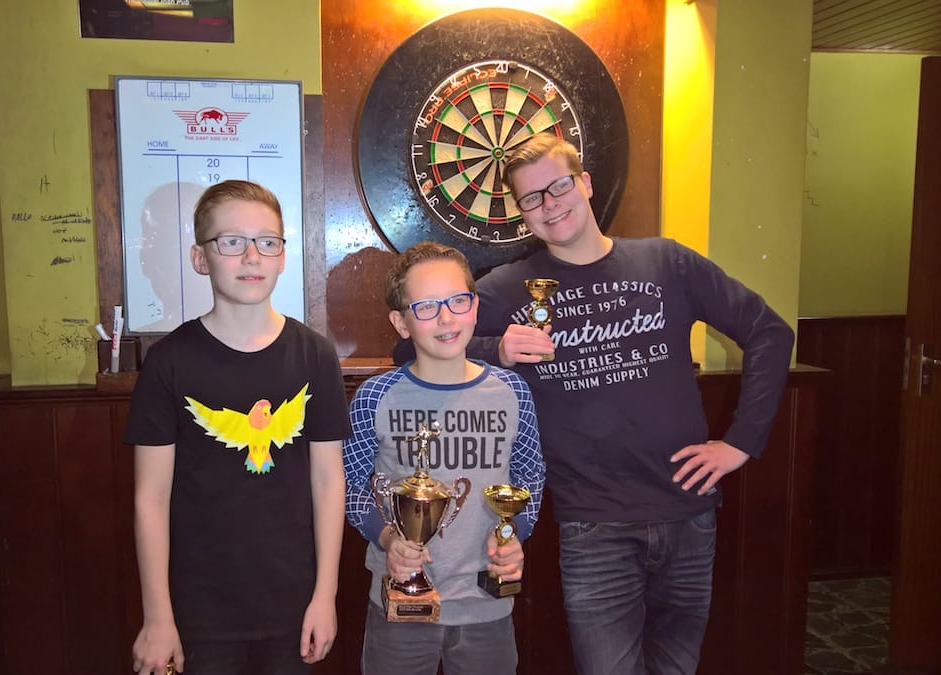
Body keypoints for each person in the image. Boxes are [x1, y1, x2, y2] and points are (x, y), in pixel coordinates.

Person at [399, 133, 796, 674]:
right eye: (532, 198)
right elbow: (409, 348)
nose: (549, 204)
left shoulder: (665, 262)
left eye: (559, 186)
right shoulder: (508, 288)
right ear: (521, 212)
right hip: (593, 526)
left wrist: (741, 442)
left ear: (585, 184)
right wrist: (498, 349)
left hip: (688, 513)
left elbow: (770, 332)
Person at [124, 179, 350, 675]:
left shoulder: (315, 355)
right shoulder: (169, 363)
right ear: (200, 258)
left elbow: (329, 480)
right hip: (198, 608)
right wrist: (157, 616)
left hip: (293, 603)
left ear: (282, 256)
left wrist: (325, 595)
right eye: (231, 241)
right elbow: (151, 497)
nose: (252, 256)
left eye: (267, 242)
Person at [346, 241, 546, 675]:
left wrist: (515, 535)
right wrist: (388, 539)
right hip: (399, 607)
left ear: (474, 306)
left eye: (458, 301)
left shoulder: (513, 392)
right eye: (426, 307)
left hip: (486, 608)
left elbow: (530, 477)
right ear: (401, 323)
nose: (446, 318)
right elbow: (351, 489)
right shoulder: (374, 398)